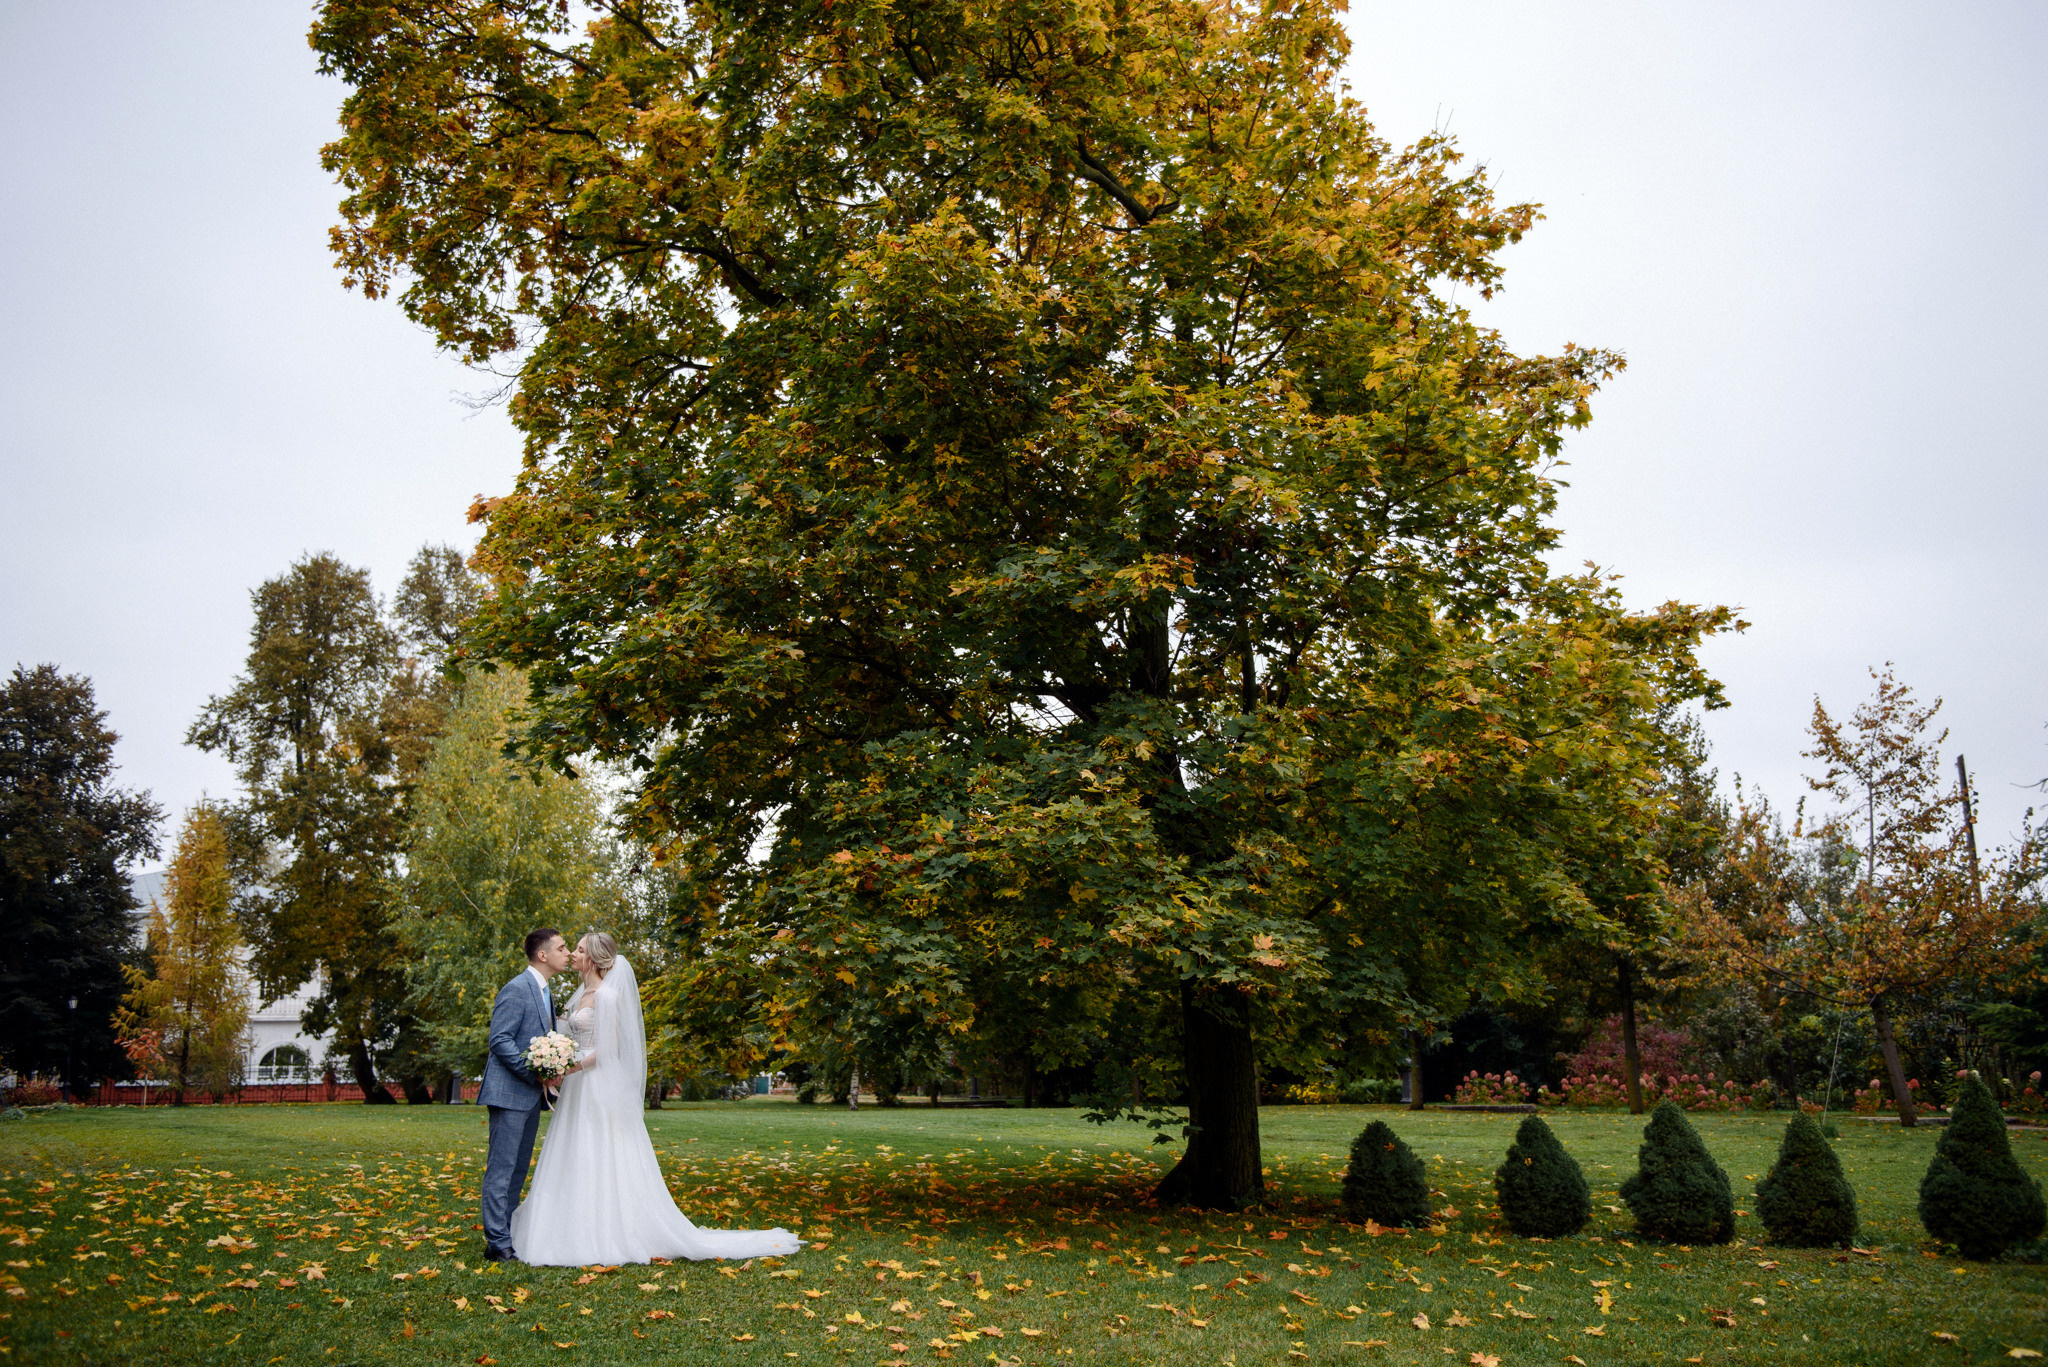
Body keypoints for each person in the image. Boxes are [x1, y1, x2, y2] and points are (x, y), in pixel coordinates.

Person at [510, 930, 802, 1265]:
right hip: (577, 1085)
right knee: (573, 1146)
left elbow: (609, 1048)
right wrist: (556, 1059)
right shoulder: (579, 995)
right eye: (571, 949)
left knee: (600, 1147)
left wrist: (570, 1068)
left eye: (578, 950)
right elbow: (571, 1037)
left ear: (593, 958)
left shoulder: (607, 996)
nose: (573, 954)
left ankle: (609, 1230)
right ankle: (563, 1225)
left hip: (595, 1081)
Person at [477, 925, 571, 1262]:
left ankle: (507, 1233)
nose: (568, 953)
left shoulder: (545, 991)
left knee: (518, 1169)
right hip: (509, 1093)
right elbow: (499, 1039)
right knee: (501, 1169)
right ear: (542, 955)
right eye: (562, 948)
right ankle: (496, 1243)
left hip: (531, 1095)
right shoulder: (517, 988)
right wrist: (536, 1070)